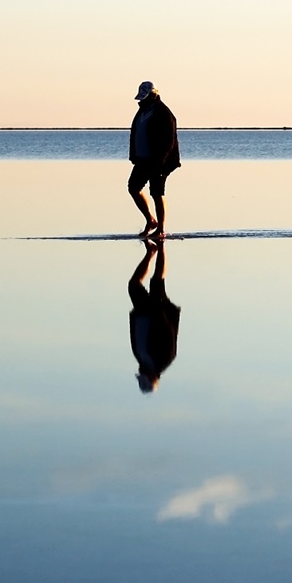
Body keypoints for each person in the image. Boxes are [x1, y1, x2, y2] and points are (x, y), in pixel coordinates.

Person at [127, 80, 180, 239]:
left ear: (154, 94)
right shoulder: (142, 111)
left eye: (146, 96)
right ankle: (150, 220)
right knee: (133, 188)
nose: (143, 99)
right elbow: (135, 133)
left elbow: (168, 141)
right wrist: (133, 155)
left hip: (160, 162)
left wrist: (161, 161)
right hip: (142, 159)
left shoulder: (163, 112)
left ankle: (161, 229)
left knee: (157, 193)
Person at [128, 237, 180, 393]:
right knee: (157, 281)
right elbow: (168, 333)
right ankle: (160, 249)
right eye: (143, 376)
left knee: (134, 285)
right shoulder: (165, 359)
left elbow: (137, 339)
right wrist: (160, 311)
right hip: (156, 313)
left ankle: (152, 252)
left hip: (145, 313)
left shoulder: (143, 361)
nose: (141, 373)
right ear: (151, 377)